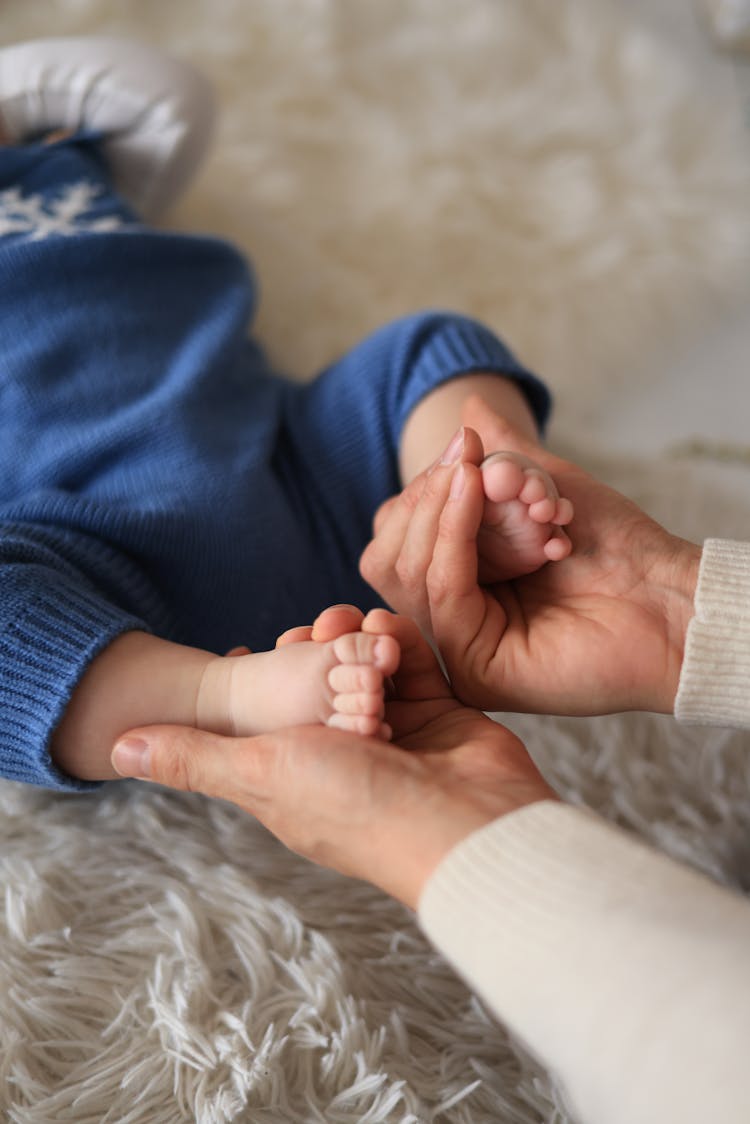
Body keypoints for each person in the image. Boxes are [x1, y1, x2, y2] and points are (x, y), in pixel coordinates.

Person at [112, 422, 750, 1124]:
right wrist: (684, 611)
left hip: (265, 439)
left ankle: (462, 510)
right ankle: (224, 689)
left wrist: (456, 479)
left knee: (434, 374)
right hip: (55, 514)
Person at [0, 36, 573, 789]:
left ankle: (454, 507)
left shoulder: (63, 156)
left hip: (296, 463)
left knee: (427, 347)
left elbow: (167, 96)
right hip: (106, 551)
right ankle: (226, 698)